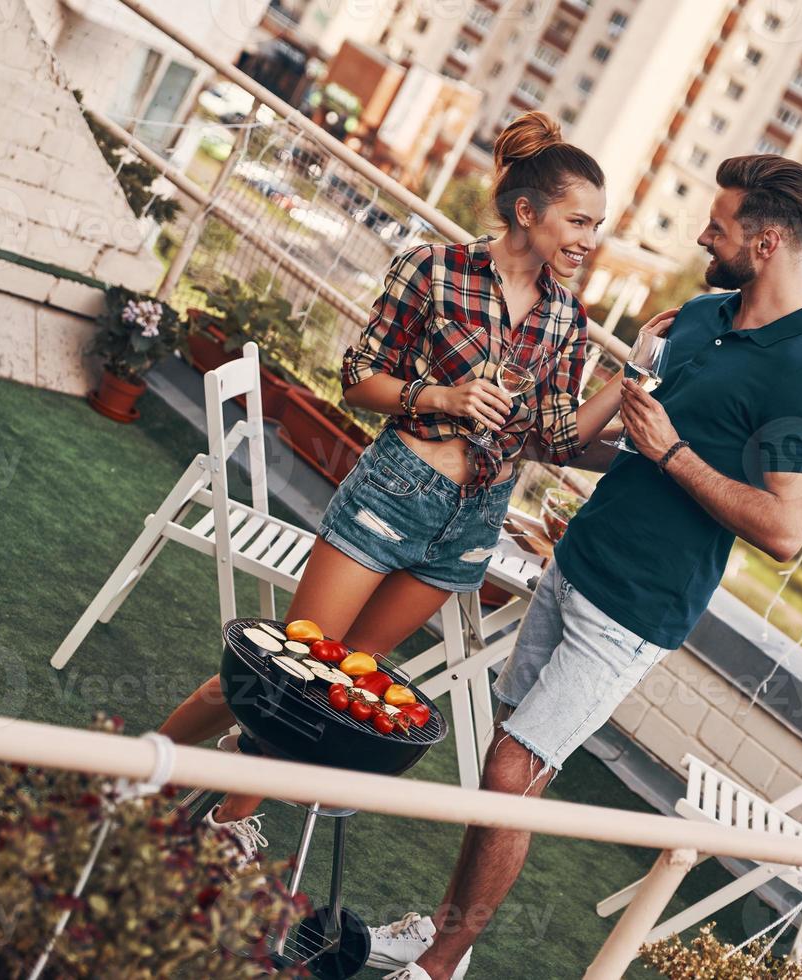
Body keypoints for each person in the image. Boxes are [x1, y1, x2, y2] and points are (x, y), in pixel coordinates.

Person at [154, 112, 673, 896]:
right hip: (392, 495)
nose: (587, 239)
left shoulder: (569, 317)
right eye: (577, 221)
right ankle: (134, 779)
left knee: (341, 693)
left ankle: (224, 823)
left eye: (596, 226)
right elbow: (357, 379)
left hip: (468, 528)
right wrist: (447, 397)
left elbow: (558, 437)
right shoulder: (431, 270)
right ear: (526, 212)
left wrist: (631, 372)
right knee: (282, 675)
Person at [369, 154, 802, 980]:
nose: (703, 234)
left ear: (768, 242)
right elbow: (613, 442)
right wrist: (559, 435)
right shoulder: (698, 318)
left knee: (508, 770)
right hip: (576, 562)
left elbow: (784, 529)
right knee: (509, 770)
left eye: (720, 226)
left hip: (635, 611)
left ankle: (439, 965)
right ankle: (443, 938)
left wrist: (672, 455)